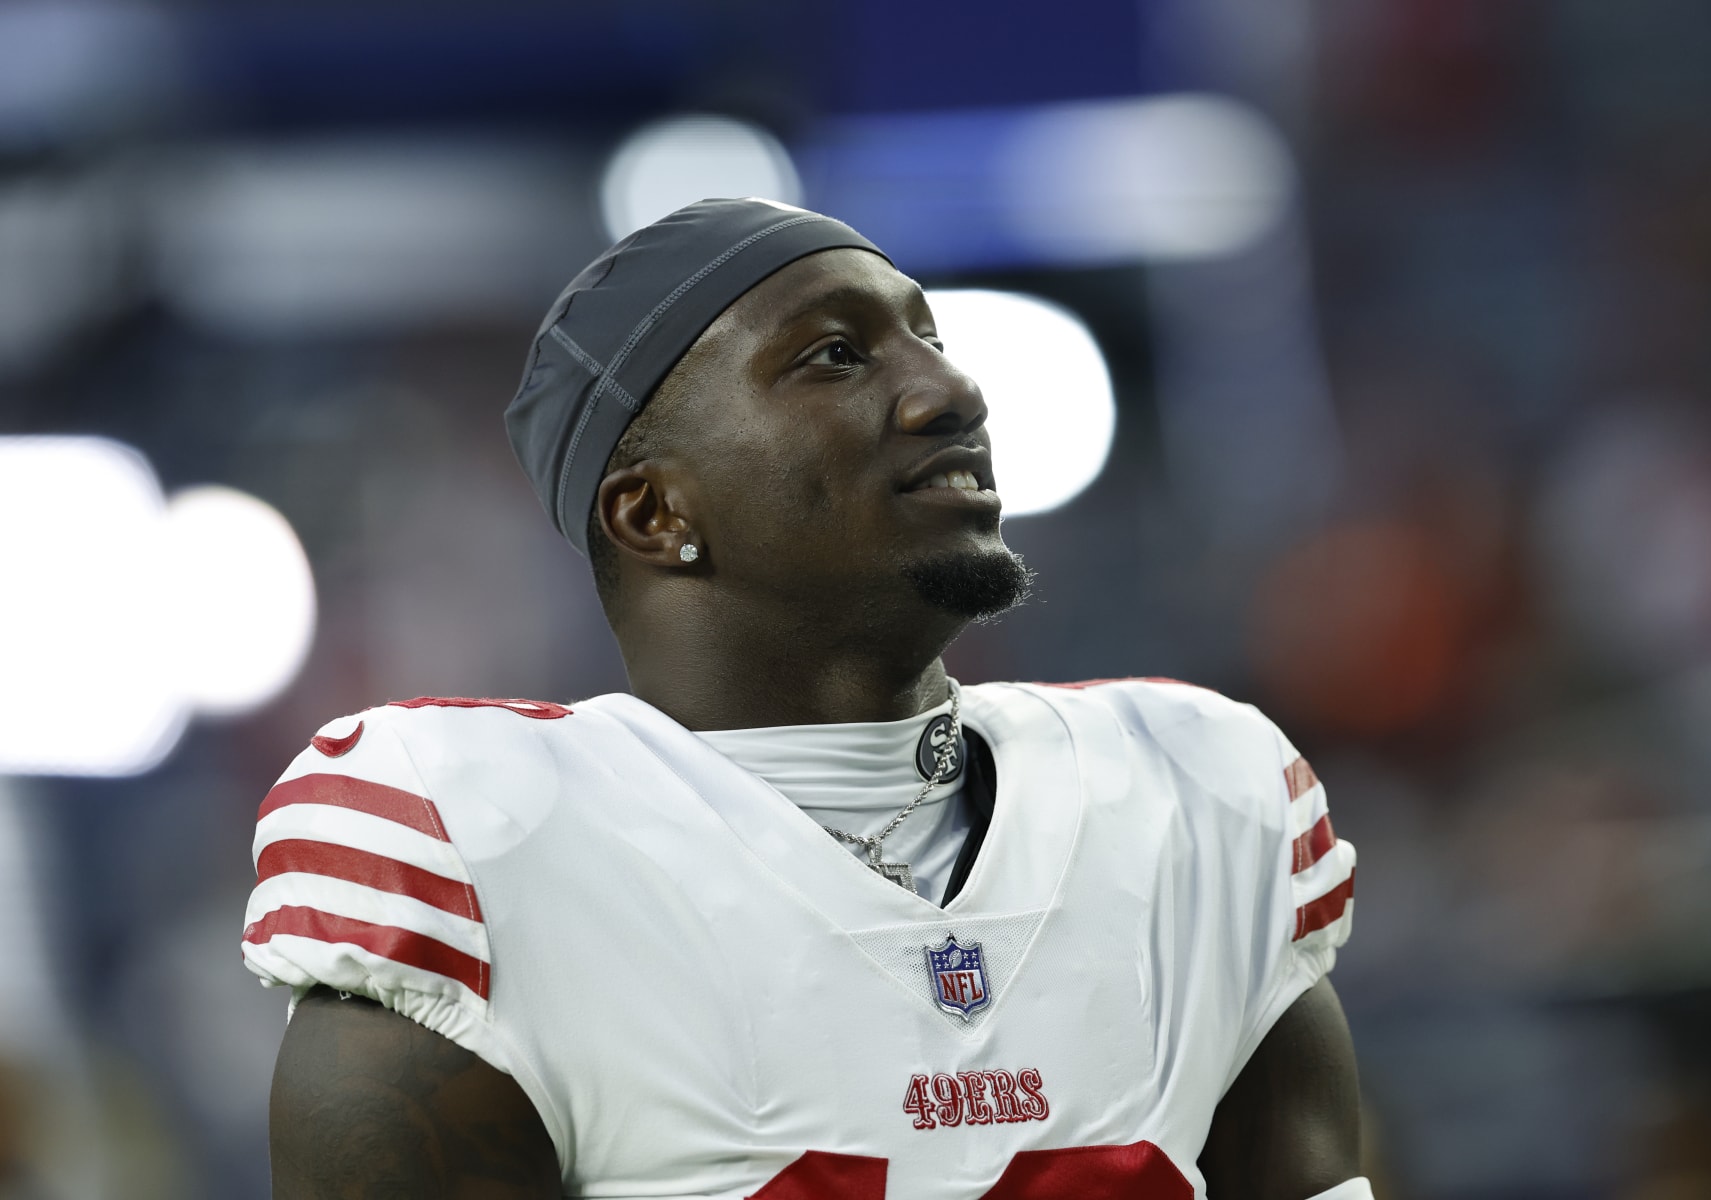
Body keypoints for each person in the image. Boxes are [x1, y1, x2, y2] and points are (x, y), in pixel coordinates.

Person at [243, 198, 1367, 1199]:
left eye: (929, 337)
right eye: (835, 356)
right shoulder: (482, 850)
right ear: (653, 516)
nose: (949, 389)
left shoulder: (1190, 790)